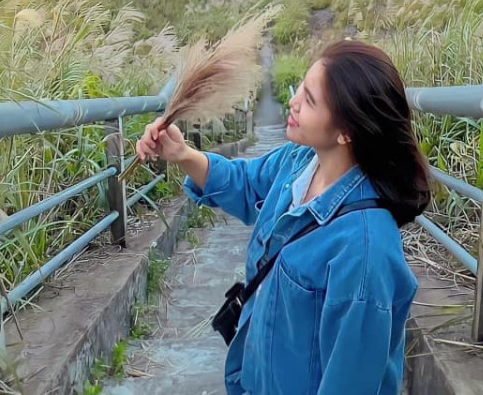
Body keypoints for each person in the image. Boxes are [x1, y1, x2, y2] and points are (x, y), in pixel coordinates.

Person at [137, 41, 429, 395]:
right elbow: (244, 183)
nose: (292, 102)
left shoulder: (364, 253)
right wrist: (181, 153)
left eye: (308, 99)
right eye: (300, 90)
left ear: (346, 131)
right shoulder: (299, 161)